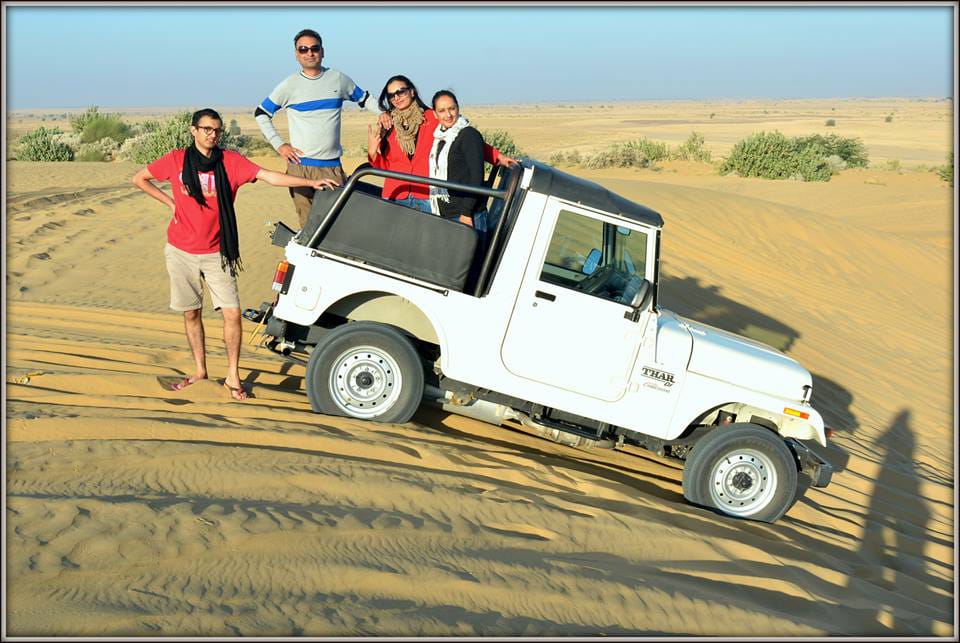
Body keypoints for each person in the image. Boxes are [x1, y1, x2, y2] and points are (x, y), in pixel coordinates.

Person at [132, 108, 339, 401]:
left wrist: (309, 182)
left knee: (232, 314)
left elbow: (269, 176)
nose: (212, 134)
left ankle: (232, 375)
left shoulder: (231, 161)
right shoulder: (176, 159)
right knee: (191, 313)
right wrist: (169, 203)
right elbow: (140, 178)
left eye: (217, 130)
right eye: (206, 129)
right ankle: (200, 371)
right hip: (180, 251)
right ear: (193, 130)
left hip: (219, 252)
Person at [255, 29, 376, 228]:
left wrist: (386, 115)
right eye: (303, 49)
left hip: (331, 167)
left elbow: (365, 99)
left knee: (337, 226)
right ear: (296, 54)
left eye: (314, 48)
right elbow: (261, 113)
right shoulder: (289, 85)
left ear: (322, 51)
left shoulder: (338, 79)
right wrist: (280, 145)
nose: (309, 53)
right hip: (300, 168)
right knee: (308, 227)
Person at [366, 75, 516, 213]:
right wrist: (373, 153)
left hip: (426, 196)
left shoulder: (433, 117)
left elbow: (464, 137)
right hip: (395, 194)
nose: (397, 97)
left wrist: (497, 157)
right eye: (391, 95)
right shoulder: (388, 125)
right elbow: (388, 167)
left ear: (412, 92)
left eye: (401, 91)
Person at [427, 90, 485, 227]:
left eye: (452, 109)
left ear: (458, 108)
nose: (448, 115)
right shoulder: (440, 138)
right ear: (435, 114)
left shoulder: (468, 135)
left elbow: (477, 176)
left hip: (467, 215)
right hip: (447, 213)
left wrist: (466, 213)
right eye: (441, 111)